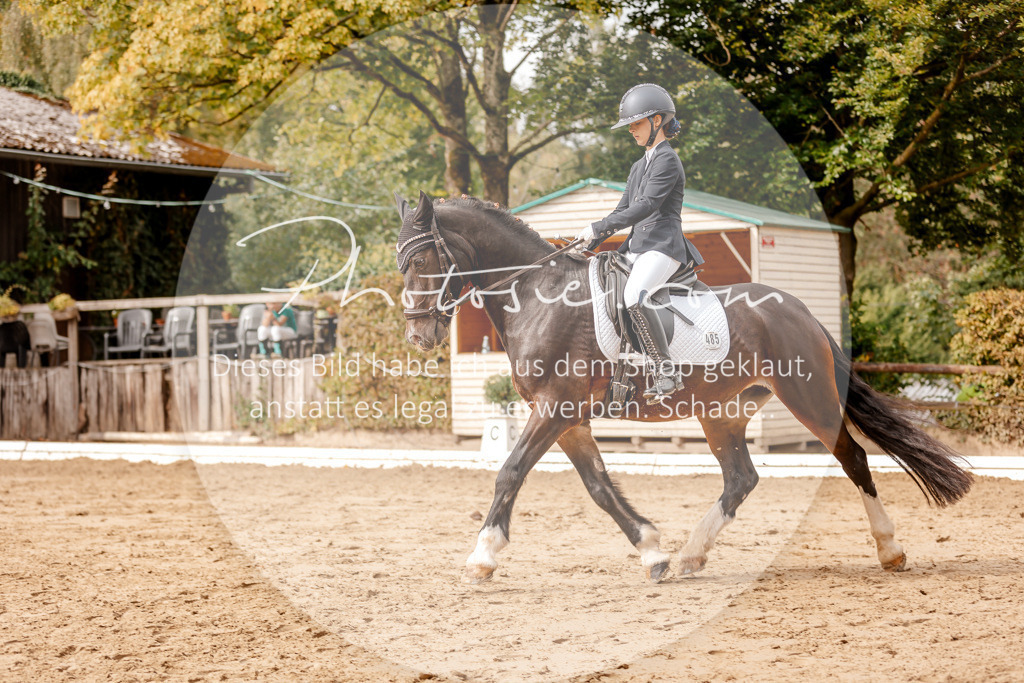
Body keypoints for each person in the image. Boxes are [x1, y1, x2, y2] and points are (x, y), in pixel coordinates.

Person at [577, 83, 704, 404]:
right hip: (637, 247)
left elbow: (647, 206)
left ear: (657, 121)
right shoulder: (638, 166)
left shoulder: (668, 160)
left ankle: (666, 371)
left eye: (636, 123)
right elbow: (623, 210)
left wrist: (600, 226)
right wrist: (591, 237)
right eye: (629, 125)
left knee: (635, 295)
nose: (631, 130)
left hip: (663, 246)